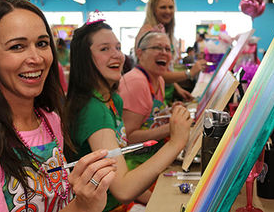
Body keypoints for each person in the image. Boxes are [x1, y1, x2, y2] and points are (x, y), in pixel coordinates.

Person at [0, 0, 117, 211]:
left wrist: (84, 199)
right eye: (17, 47)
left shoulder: (51, 120)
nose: (37, 58)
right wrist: (82, 206)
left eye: (42, 43)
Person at [64, 18, 192, 211]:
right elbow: (122, 189)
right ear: (85, 59)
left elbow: (118, 170)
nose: (117, 55)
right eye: (105, 49)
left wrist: (156, 201)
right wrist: (176, 142)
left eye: (118, 47)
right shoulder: (93, 109)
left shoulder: (112, 100)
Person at [135, 0, 206, 102]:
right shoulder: (149, 33)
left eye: (170, 7)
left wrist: (177, 88)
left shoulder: (163, 32)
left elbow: (164, 70)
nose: (168, 11)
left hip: (163, 94)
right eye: (163, 7)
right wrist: (189, 73)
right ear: (153, 10)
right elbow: (156, 74)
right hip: (151, 97)